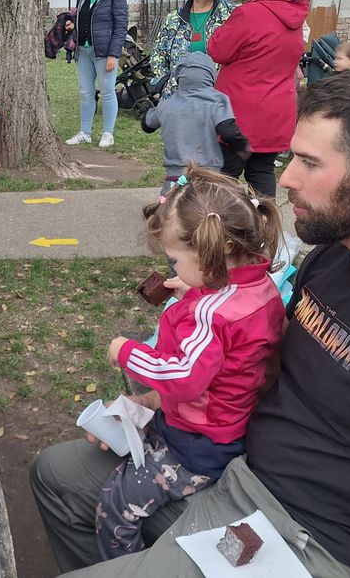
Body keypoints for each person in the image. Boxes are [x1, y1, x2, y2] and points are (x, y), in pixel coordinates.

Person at [34, 68, 350, 578]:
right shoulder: (335, 257)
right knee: (55, 474)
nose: (286, 176)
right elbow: (259, 368)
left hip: (311, 545)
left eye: (308, 162)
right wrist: (162, 400)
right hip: (240, 476)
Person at [96, 165, 284, 560]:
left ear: (213, 253)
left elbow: (183, 376)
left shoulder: (211, 314)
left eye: (175, 261)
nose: (173, 271)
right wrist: (195, 287)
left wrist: (126, 351)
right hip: (227, 425)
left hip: (197, 444)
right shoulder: (258, 286)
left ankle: (125, 566)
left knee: (118, 500)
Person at [208, 0, 308, 199]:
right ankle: (265, 230)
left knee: (225, 178)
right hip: (276, 111)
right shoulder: (294, 16)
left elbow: (217, 49)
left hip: (240, 113)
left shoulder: (249, 13)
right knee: (262, 173)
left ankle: (222, 231)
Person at [141, 52, 249, 195]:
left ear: (179, 77)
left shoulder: (167, 105)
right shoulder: (216, 101)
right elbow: (228, 131)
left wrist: (151, 107)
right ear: (210, 76)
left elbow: (147, 125)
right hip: (207, 175)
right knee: (206, 209)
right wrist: (244, 147)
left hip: (175, 176)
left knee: (171, 209)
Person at [148, 0, 236, 99]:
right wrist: (163, 84)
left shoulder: (232, 16)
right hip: (177, 100)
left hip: (217, 100)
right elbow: (158, 55)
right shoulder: (174, 19)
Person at [64, 0, 128, 149]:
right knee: (86, 93)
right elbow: (83, 20)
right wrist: (72, 25)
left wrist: (113, 55)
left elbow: (120, 27)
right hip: (83, 51)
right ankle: (85, 132)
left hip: (104, 53)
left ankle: (108, 133)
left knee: (107, 92)